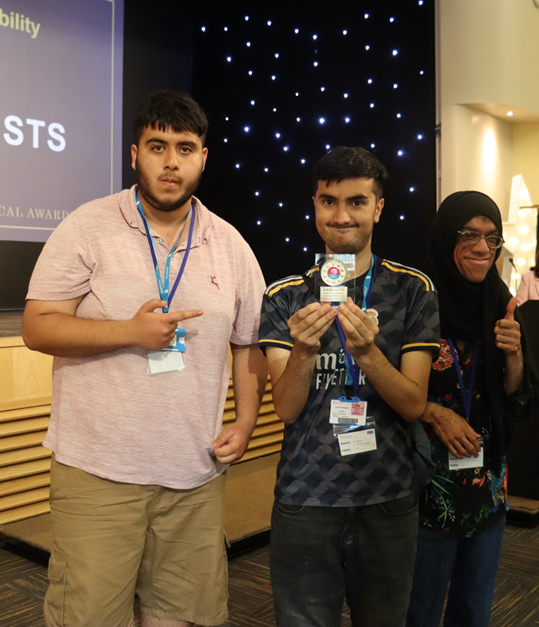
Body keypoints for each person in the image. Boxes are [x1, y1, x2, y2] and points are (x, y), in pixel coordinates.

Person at [22, 91, 267, 627]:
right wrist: (129, 331)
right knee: (88, 618)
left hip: (195, 476)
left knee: (182, 617)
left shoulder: (231, 245)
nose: (171, 161)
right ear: (135, 154)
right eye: (158, 146)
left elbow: (248, 343)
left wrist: (247, 421)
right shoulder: (88, 227)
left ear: (204, 157)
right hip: (99, 474)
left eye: (185, 147)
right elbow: (36, 326)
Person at [258, 146, 441, 627]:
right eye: (328, 201)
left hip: (387, 498)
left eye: (356, 202)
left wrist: (367, 354)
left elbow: (413, 403)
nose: (341, 216)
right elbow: (286, 409)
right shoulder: (284, 296)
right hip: (305, 498)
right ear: (314, 205)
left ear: (379, 208)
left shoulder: (412, 289)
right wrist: (302, 351)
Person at [406, 191, 539, 627]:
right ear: (447, 237)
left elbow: (518, 405)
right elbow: (386, 389)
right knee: (418, 611)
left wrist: (516, 356)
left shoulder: (500, 304)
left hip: (487, 493)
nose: (483, 247)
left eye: (492, 238)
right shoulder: (415, 303)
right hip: (426, 490)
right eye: (469, 234)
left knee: (473, 611)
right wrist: (431, 410)